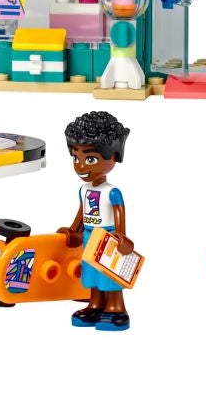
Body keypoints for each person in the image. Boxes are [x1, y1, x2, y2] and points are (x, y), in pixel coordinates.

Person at [62, 110, 135, 331]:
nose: (81, 166)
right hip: (88, 236)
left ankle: (116, 307)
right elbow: (81, 211)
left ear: (113, 157)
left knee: (109, 274)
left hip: (107, 237)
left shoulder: (112, 192)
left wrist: (121, 236)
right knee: (91, 273)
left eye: (90, 159)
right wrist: (73, 229)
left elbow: (120, 213)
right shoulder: (83, 189)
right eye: (76, 158)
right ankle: (95, 304)